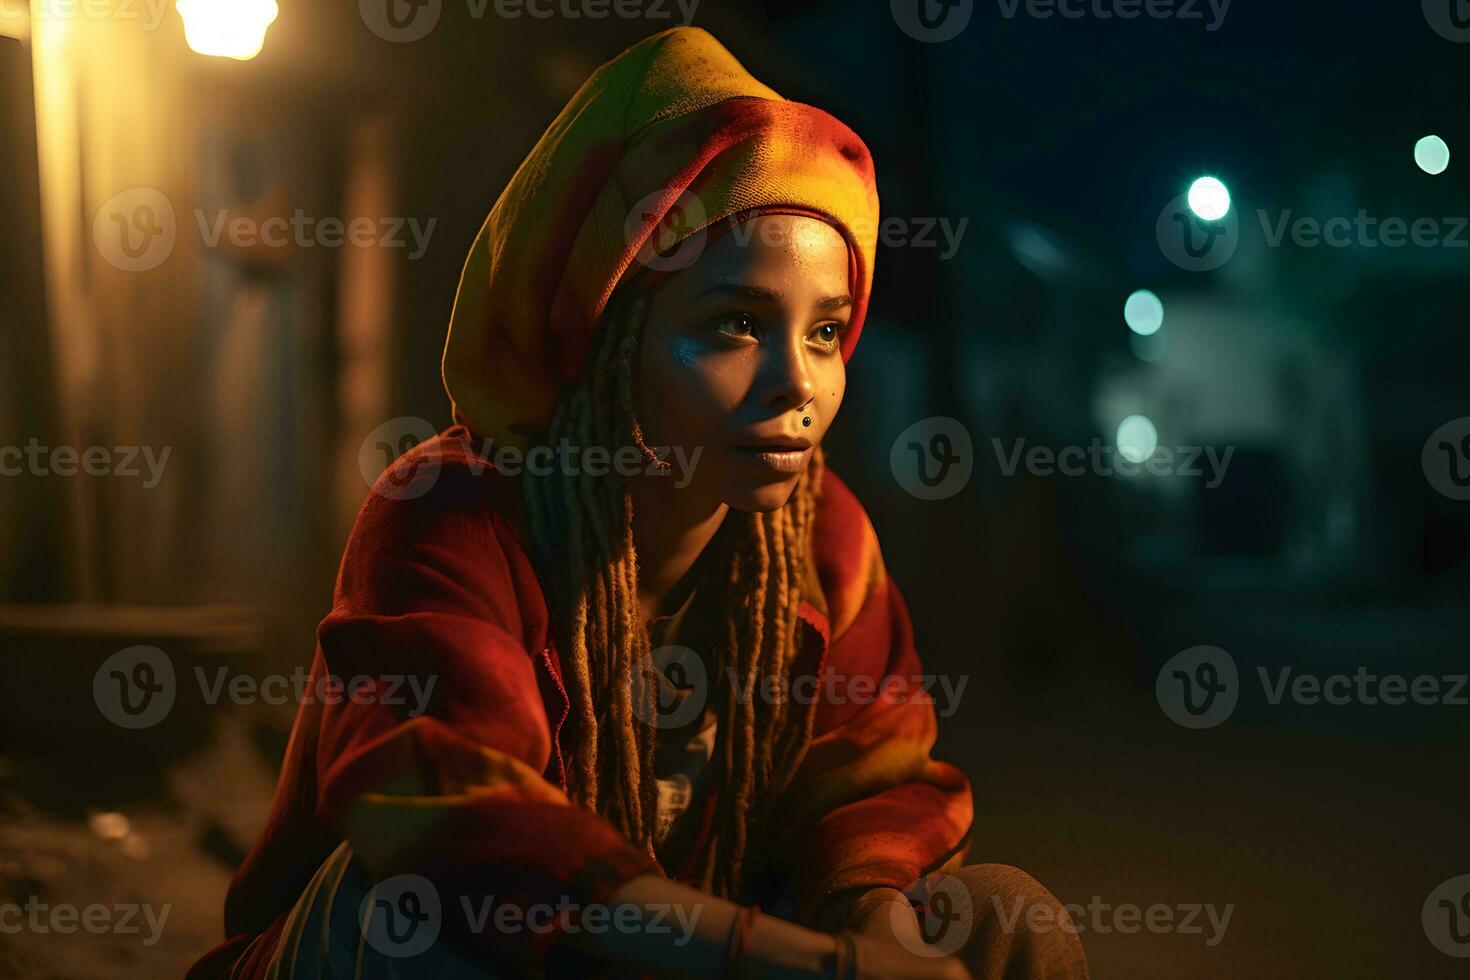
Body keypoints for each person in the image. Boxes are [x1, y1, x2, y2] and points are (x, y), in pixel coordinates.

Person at [187, 26, 1089, 980]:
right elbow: (453, 823)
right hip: (467, 947)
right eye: (734, 324)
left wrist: (874, 924)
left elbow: (872, 784)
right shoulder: (453, 515)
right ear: (606, 331)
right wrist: (800, 963)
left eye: (825, 331)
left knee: (1001, 919)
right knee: (413, 912)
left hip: (687, 951)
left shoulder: (824, 542)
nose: (798, 382)